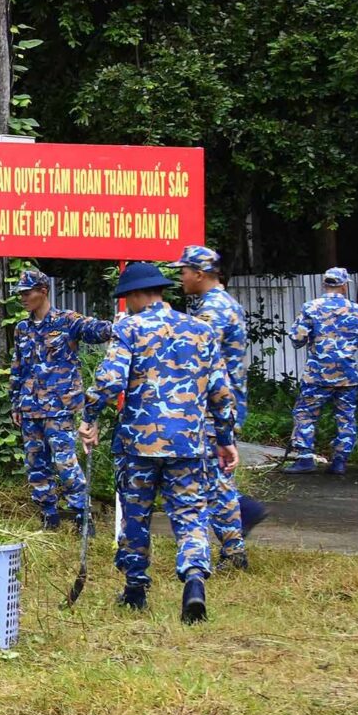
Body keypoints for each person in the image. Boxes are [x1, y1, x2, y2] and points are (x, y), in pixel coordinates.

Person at [85, 263, 237, 621]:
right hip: (189, 444)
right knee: (190, 513)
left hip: (138, 444)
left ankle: (135, 589)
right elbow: (221, 392)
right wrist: (225, 439)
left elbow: (110, 381)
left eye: (127, 298)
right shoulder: (201, 330)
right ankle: (195, 580)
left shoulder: (128, 328)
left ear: (136, 295)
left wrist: (89, 418)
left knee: (135, 515)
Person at [169, 247, 262, 556]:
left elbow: (192, 353)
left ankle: (235, 545)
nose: (181, 277)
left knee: (213, 476)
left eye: (184, 271)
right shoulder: (218, 303)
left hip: (214, 406)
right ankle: (241, 519)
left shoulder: (214, 309)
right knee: (211, 474)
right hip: (220, 403)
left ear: (199, 274)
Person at [9, 270, 114, 531]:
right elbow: (18, 367)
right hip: (30, 407)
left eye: (27, 292)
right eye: (21, 293)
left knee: (65, 463)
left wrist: (119, 324)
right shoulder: (22, 328)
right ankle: (48, 515)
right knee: (36, 465)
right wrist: (15, 402)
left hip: (59, 408)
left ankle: (81, 514)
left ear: (43, 291)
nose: (23, 298)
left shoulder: (67, 321)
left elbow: (97, 330)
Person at [286, 267, 358, 472]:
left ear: (324, 284)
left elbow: (297, 338)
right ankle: (340, 461)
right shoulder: (357, 310)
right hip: (347, 373)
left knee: (305, 413)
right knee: (346, 417)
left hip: (317, 373)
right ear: (344, 285)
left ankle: (305, 458)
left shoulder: (311, 307)